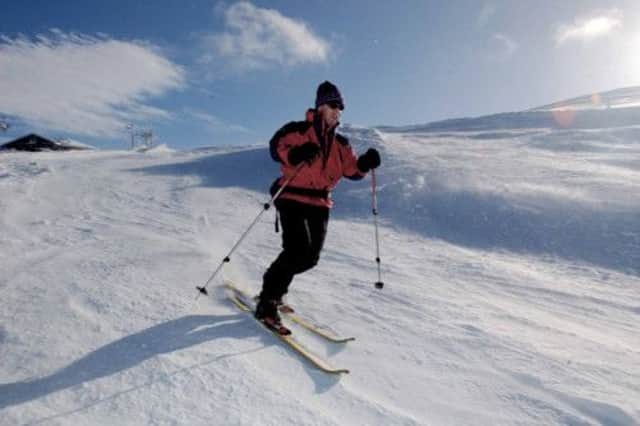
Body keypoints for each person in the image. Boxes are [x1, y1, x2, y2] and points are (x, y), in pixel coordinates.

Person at [255, 81, 381, 332]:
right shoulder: (297, 131)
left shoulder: (341, 144)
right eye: (334, 105)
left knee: (310, 258)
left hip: (320, 201)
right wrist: (297, 154)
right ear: (320, 106)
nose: (338, 111)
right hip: (291, 195)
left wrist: (365, 164)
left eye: (341, 107)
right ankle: (267, 300)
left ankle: (276, 290)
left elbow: (352, 170)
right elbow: (276, 147)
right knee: (296, 248)